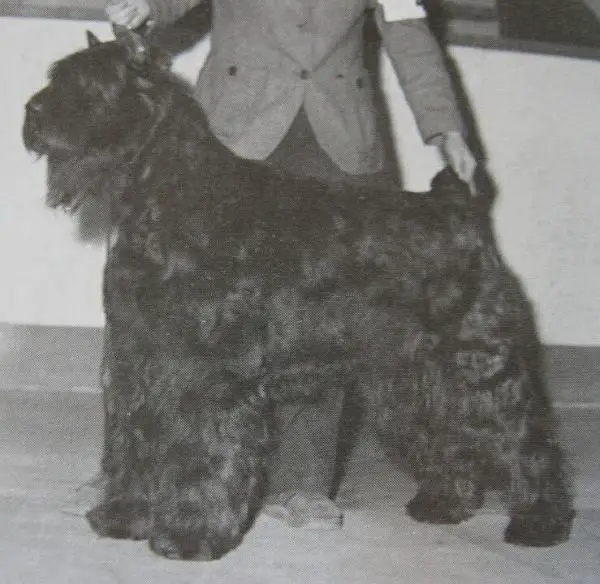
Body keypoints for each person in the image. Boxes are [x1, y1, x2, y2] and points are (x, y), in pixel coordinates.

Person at [102, 0, 477, 530]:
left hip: (339, 140)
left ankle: (302, 483)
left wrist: (447, 130)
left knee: (327, 322)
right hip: (233, 133)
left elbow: (407, 28)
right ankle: (132, 478)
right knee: (170, 323)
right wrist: (149, 7)